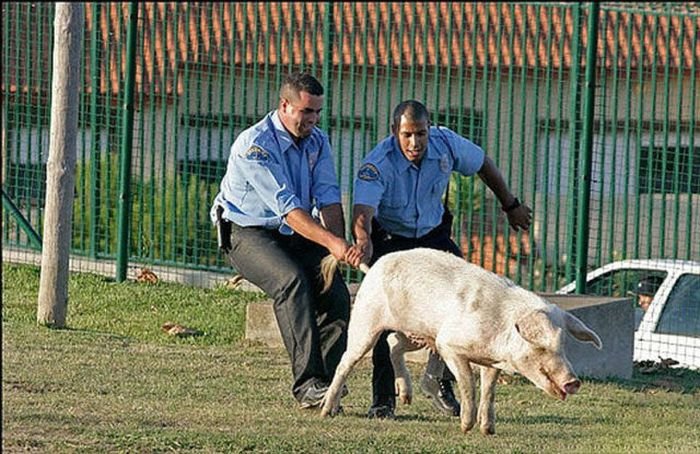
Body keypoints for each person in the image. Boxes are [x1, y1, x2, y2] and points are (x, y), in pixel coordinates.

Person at [348, 100, 532, 420]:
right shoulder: (377, 163)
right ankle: (382, 400)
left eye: (421, 134)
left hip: (433, 235)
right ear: (394, 133)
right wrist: (362, 240)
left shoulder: (446, 144)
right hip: (392, 240)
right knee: (382, 318)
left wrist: (510, 204)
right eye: (407, 135)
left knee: (464, 305)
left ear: (429, 130)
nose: (415, 143)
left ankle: (438, 380)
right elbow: (362, 211)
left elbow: (483, 164)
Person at [210, 72, 355, 410]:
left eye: (317, 112)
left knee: (335, 293)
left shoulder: (318, 140)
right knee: (291, 283)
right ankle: (307, 386)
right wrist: (332, 244)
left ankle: (326, 388)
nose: (312, 120)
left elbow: (329, 197)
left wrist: (339, 242)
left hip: (294, 231)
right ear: (284, 105)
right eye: (306, 112)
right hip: (246, 232)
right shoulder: (255, 145)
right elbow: (288, 209)